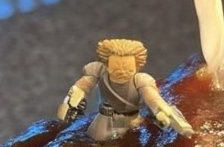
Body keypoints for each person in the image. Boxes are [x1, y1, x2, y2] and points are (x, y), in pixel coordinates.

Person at [57, 38, 194, 140]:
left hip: (131, 121)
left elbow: (153, 98)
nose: (122, 72)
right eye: (116, 68)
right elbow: (83, 85)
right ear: (106, 64)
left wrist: (161, 111)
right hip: (104, 118)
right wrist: (72, 101)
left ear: (137, 66)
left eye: (128, 69)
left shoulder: (140, 79)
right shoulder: (98, 71)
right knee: (97, 140)